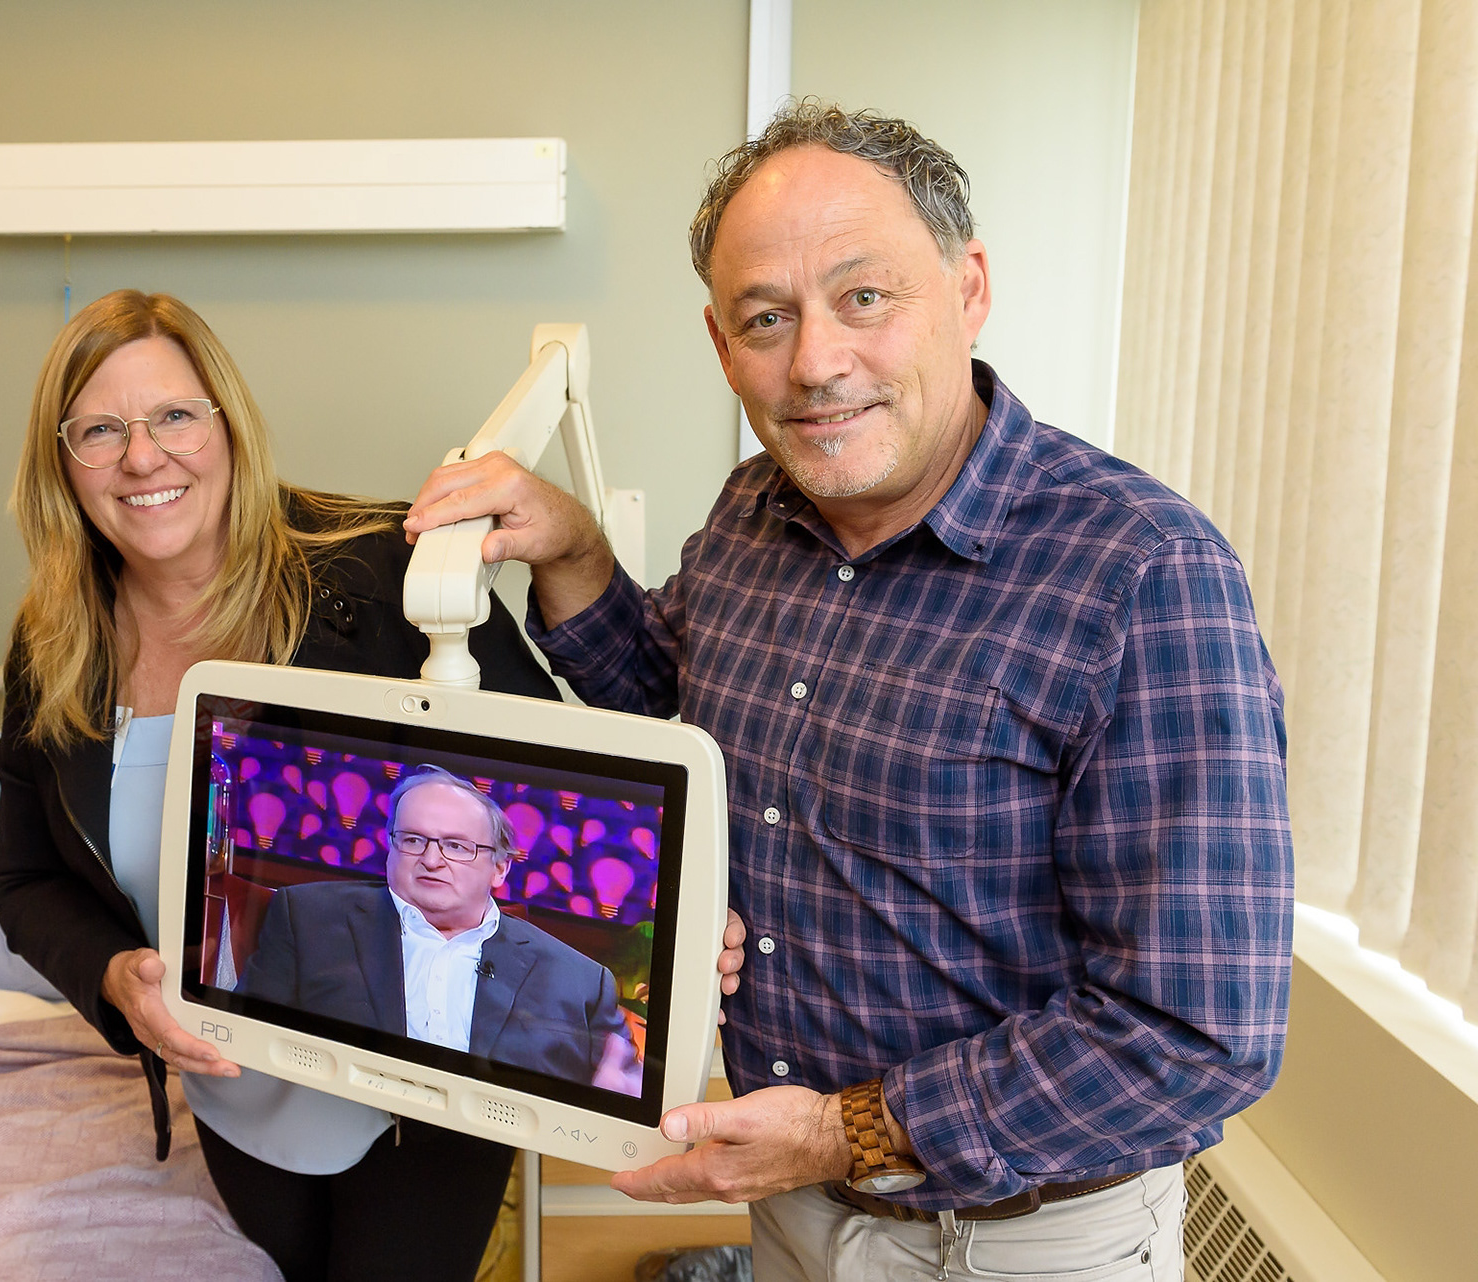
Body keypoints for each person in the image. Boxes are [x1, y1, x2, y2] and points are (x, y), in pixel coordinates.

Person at [403, 102, 1293, 1282]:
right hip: (793, 1206)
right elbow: (675, 692)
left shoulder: (1141, 577)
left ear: (968, 289)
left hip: (1020, 1240)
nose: (816, 362)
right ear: (723, 347)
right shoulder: (752, 511)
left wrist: (844, 1130)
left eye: (864, 297)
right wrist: (571, 553)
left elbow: (1198, 1033)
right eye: (767, 319)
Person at [0, 289, 563, 1282]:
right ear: (61, 464)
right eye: (99, 430)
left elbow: (552, 800)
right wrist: (116, 975)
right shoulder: (54, 646)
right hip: (234, 1091)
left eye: (172, 414)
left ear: (227, 425)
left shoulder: (383, 577)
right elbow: (26, 880)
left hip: (418, 1098)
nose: (142, 456)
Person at [238, 766, 642, 1093]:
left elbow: (621, 1084)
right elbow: (243, 1038)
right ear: (391, 847)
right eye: (413, 840)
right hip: (326, 1130)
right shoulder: (307, 918)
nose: (432, 860)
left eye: (457, 846)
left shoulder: (580, 980)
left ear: (500, 867)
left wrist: (613, 1095)